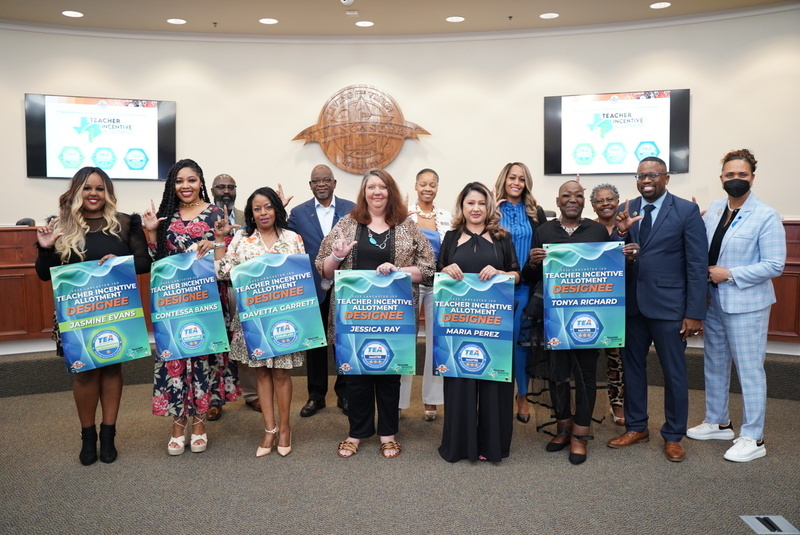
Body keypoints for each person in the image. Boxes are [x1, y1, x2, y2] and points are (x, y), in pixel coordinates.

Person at [35, 167, 151, 465]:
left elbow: (143, 263)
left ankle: (108, 434)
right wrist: (46, 250)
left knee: (112, 370)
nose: (94, 194)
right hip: (77, 316)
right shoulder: (60, 225)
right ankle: (88, 437)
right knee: (84, 373)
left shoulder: (125, 223)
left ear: (107, 193)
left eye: (100, 188)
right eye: (87, 188)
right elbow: (44, 274)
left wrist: (120, 261)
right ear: (77, 191)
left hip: (115, 312)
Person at [317, 168, 434, 459]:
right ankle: (356, 433)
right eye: (371, 187)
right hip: (354, 317)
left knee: (389, 374)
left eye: (382, 187)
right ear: (364, 192)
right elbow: (324, 269)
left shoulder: (407, 226)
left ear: (390, 191)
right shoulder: (346, 224)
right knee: (356, 375)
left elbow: (429, 269)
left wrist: (399, 270)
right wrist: (337, 255)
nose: (377, 192)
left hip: (394, 317)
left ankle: (388, 434)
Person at [529, 180, 639, 464]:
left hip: (589, 319)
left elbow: (611, 268)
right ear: (558, 201)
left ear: (583, 202)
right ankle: (563, 428)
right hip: (555, 317)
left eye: (578, 195)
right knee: (557, 374)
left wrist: (626, 255)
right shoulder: (543, 231)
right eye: (566, 195)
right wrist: (533, 261)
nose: (572, 200)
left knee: (585, 376)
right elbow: (533, 275)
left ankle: (581, 434)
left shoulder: (596, 231)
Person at [686, 149, 785, 462]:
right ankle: (718, 422)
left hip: (747, 305)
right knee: (714, 363)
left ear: (752, 177)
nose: (736, 179)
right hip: (713, 301)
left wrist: (730, 274)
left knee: (749, 370)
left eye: (742, 175)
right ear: (721, 178)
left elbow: (775, 265)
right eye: (730, 175)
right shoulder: (715, 209)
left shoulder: (766, 215)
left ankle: (754, 437)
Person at [608, 157, 707, 462]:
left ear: (666, 178)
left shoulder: (686, 211)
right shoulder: (627, 208)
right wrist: (620, 233)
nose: (646, 180)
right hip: (632, 306)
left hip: (669, 307)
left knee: (673, 373)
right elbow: (611, 255)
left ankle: (674, 435)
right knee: (632, 369)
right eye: (641, 176)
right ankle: (637, 427)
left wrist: (694, 312)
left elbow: (697, 264)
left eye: (653, 175)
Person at [142, 158, 239, 456]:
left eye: (192, 180)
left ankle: (198, 423)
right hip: (173, 303)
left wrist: (218, 241)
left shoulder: (216, 215)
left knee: (203, 360)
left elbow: (227, 263)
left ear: (201, 183)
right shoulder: (165, 216)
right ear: (173, 185)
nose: (186, 186)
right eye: (179, 180)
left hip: (207, 303)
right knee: (175, 361)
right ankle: (177, 425)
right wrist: (151, 233)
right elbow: (157, 263)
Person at [214, 186, 305, 457]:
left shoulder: (292, 238)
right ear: (251, 213)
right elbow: (222, 272)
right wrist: (219, 240)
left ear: (276, 208)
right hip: (252, 319)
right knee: (262, 372)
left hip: (284, 319)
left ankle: (285, 428)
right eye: (257, 208)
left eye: (268, 206)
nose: (263, 212)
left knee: (281, 373)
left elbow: (301, 278)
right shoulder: (242, 239)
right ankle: (269, 429)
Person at [437, 182, 520, 462]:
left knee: (493, 382)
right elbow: (437, 272)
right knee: (460, 382)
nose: (476, 208)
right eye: (470, 203)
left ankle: (490, 446)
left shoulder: (502, 237)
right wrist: (445, 270)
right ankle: (461, 446)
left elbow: (517, 274)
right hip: (458, 324)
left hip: (494, 323)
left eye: (481, 203)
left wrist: (501, 273)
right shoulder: (450, 237)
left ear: (489, 207)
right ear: (462, 206)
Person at [288, 164, 356, 418]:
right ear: (310, 185)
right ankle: (316, 396)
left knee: (343, 341)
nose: (321, 184)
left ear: (334, 183)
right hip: (313, 286)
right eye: (316, 181)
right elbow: (286, 240)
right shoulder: (298, 213)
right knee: (315, 342)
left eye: (326, 179)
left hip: (345, 287)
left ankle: (344, 393)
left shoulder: (351, 209)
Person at [493, 162, 546, 423]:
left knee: (520, 344)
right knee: (497, 341)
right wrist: (491, 210)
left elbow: (544, 246)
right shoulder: (490, 209)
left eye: (522, 179)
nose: (516, 182)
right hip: (495, 287)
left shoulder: (535, 212)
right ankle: (498, 394)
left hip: (525, 286)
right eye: (512, 177)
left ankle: (522, 395)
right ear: (504, 179)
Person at [399, 168, 452, 421]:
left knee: (435, 342)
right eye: (423, 184)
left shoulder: (447, 217)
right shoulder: (404, 214)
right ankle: (398, 401)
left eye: (432, 184)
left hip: (438, 284)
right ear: (416, 186)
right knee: (404, 341)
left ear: (437, 188)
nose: (427, 188)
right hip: (410, 283)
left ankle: (432, 400)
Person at [209, 172, 260, 419]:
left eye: (231, 187)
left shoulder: (245, 217)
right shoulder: (204, 217)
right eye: (221, 187)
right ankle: (214, 399)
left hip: (242, 290)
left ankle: (253, 395)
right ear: (212, 190)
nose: (226, 191)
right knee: (216, 345)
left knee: (246, 340)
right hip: (212, 290)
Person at [590, 183, 626, 426]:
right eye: (600, 200)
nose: (605, 204)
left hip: (621, 301)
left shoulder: (630, 226)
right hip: (591, 301)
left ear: (618, 202)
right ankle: (586, 406)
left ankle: (617, 403)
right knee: (588, 357)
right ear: (593, 206)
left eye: (610, 199)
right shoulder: (587, 229)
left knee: (617, 357)